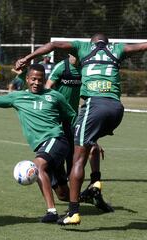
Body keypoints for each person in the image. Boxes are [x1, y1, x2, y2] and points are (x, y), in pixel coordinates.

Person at [15, 33, 147, 225]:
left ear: (90, 43)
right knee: (89, 144)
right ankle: (95, 183)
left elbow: (53, 44)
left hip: (94, 107)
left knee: (78, 158)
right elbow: (141, 46)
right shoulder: (117, 49)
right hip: (117, 110)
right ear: (107, 43)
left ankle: (73, 212)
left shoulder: (83, 48)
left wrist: (27, 58)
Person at [0, 58, 76, 223]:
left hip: (57, 140)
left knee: (38, 166)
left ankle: (51, 212)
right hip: (43, 147)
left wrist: (87, 140)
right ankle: (84, 198)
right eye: (33, 79)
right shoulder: (18, 97)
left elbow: (71, 117)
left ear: (44, 80)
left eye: (40, 79)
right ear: (27, 79)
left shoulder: (55, 96)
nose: (36, 82)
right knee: (63, 194)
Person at [46, 54, 113, 212]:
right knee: (63, 195)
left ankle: (95, 189)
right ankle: (81, 196)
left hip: (75, 119)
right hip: (57, 120)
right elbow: (47, 89)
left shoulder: (85, 70)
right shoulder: (61, 67)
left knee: (93, 148)